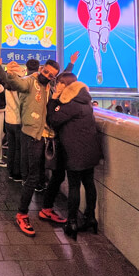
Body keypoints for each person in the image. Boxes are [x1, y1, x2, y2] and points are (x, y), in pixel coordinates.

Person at [1, 56, 62, 236]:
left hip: (44, 136)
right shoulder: (31, 82)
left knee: (48, 175)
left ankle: (46, 209)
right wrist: (1, 66)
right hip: (31, 135)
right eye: (46, 72)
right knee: (33, 178)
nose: (47, 75)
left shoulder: (49, 87)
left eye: (51, 75)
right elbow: (14, 83)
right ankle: (21, 213)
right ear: (41, 69)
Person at [47, 73, 102, 239]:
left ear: (65, 85)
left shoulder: (70, 103)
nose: (56, 86)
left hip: (74, 151)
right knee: (89, 183)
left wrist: (54, 99)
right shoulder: (84, 99)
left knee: (74, 186)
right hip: (90, 149)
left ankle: (71, 222)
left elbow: (53, 120)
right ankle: (90, 218)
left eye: (58, 84)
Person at [66, 0, 132, 84]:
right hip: (92, 27)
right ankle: (99, 71)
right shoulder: (90, 1)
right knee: (95, 49)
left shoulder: (106, 1)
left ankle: (104, 43)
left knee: (104, 39)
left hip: (104, 26)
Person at [4, 63, 25, 182]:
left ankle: (10, 171)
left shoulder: (7, 85)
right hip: (18, 121)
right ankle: (17, 173)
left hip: (8, 120)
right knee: (18, 149)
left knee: (11, 147)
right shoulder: (18, 87)